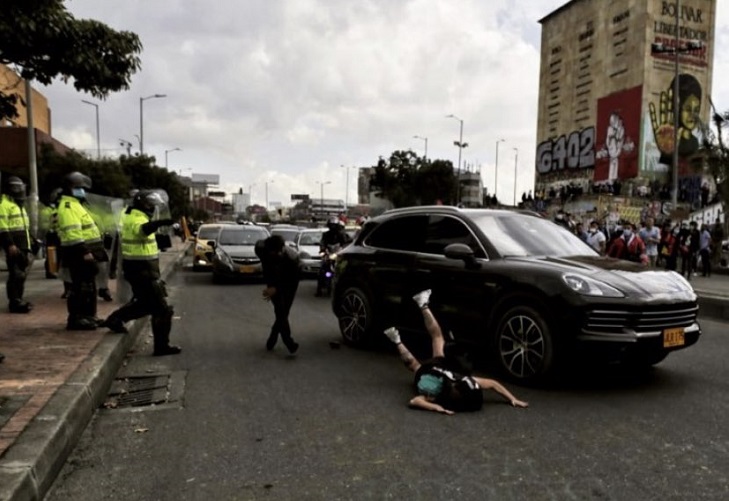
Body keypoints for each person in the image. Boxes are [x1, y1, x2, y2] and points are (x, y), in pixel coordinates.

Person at [383, 289, 528, 415]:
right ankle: (396, 339)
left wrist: (511, 398)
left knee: (437, 338)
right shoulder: (444, 397)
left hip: (436, 369)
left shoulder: (455, 386)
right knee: (414, 365)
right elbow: (416, 400)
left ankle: (422, 306)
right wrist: (437, 408)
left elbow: (492, 384)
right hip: (424, 374)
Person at [99, 191, 181, 356]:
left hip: (144, 268)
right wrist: (160, 223)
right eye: (150, 205)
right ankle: (161, 347)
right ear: (142, 205)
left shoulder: (138, 216)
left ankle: (115, 319)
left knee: (145, 304)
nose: (152, 208)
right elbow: (142, 231)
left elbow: (146, 239)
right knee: (162, 309)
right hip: (140, 269)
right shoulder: (134, 217)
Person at [56, 172, 105, 330]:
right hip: (78, 253)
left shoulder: (77, 205)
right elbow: (73, 234)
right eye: (79, 188)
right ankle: (77, 318)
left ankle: (89, 316)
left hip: (86, 252)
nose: (82, 191)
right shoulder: (68, 207)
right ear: (70, 188)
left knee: (88, 286)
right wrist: (84, 251)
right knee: (80, 287)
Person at [255, 234, 301, 354]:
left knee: (284, 311)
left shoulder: (291, 258)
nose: (279, 253)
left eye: (280, 251)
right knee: (280, 310)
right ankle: (289, 342)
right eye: (275, 252)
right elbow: (268, 269)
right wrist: (271, 286)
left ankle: (273, 337)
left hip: (290, 281)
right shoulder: (261, 249)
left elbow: (291, 278)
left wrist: (276, 288)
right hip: (272, 278)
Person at [0, 176, 33, 313]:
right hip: (13, 245)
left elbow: (23, 227)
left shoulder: (18, 205)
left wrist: (31, 240)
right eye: (17, 187)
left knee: (21, 274)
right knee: (16, 274)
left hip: (23, 244)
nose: (20, 190)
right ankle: (14, 302)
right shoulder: (3, 205)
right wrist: (9, 244)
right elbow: (2, 227)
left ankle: (19, 299)